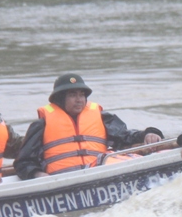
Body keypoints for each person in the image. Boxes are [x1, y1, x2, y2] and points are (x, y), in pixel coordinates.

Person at [14, 73, 164, 179]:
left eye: (81, 95)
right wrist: (38, 175)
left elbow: (125, 136)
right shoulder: (41, 125)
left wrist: (148, 133)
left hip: (97, 174)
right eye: (73, 95)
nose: (79, 100)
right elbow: (24, 162)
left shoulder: (102, 118)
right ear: (60, 99)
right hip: (63, 180)